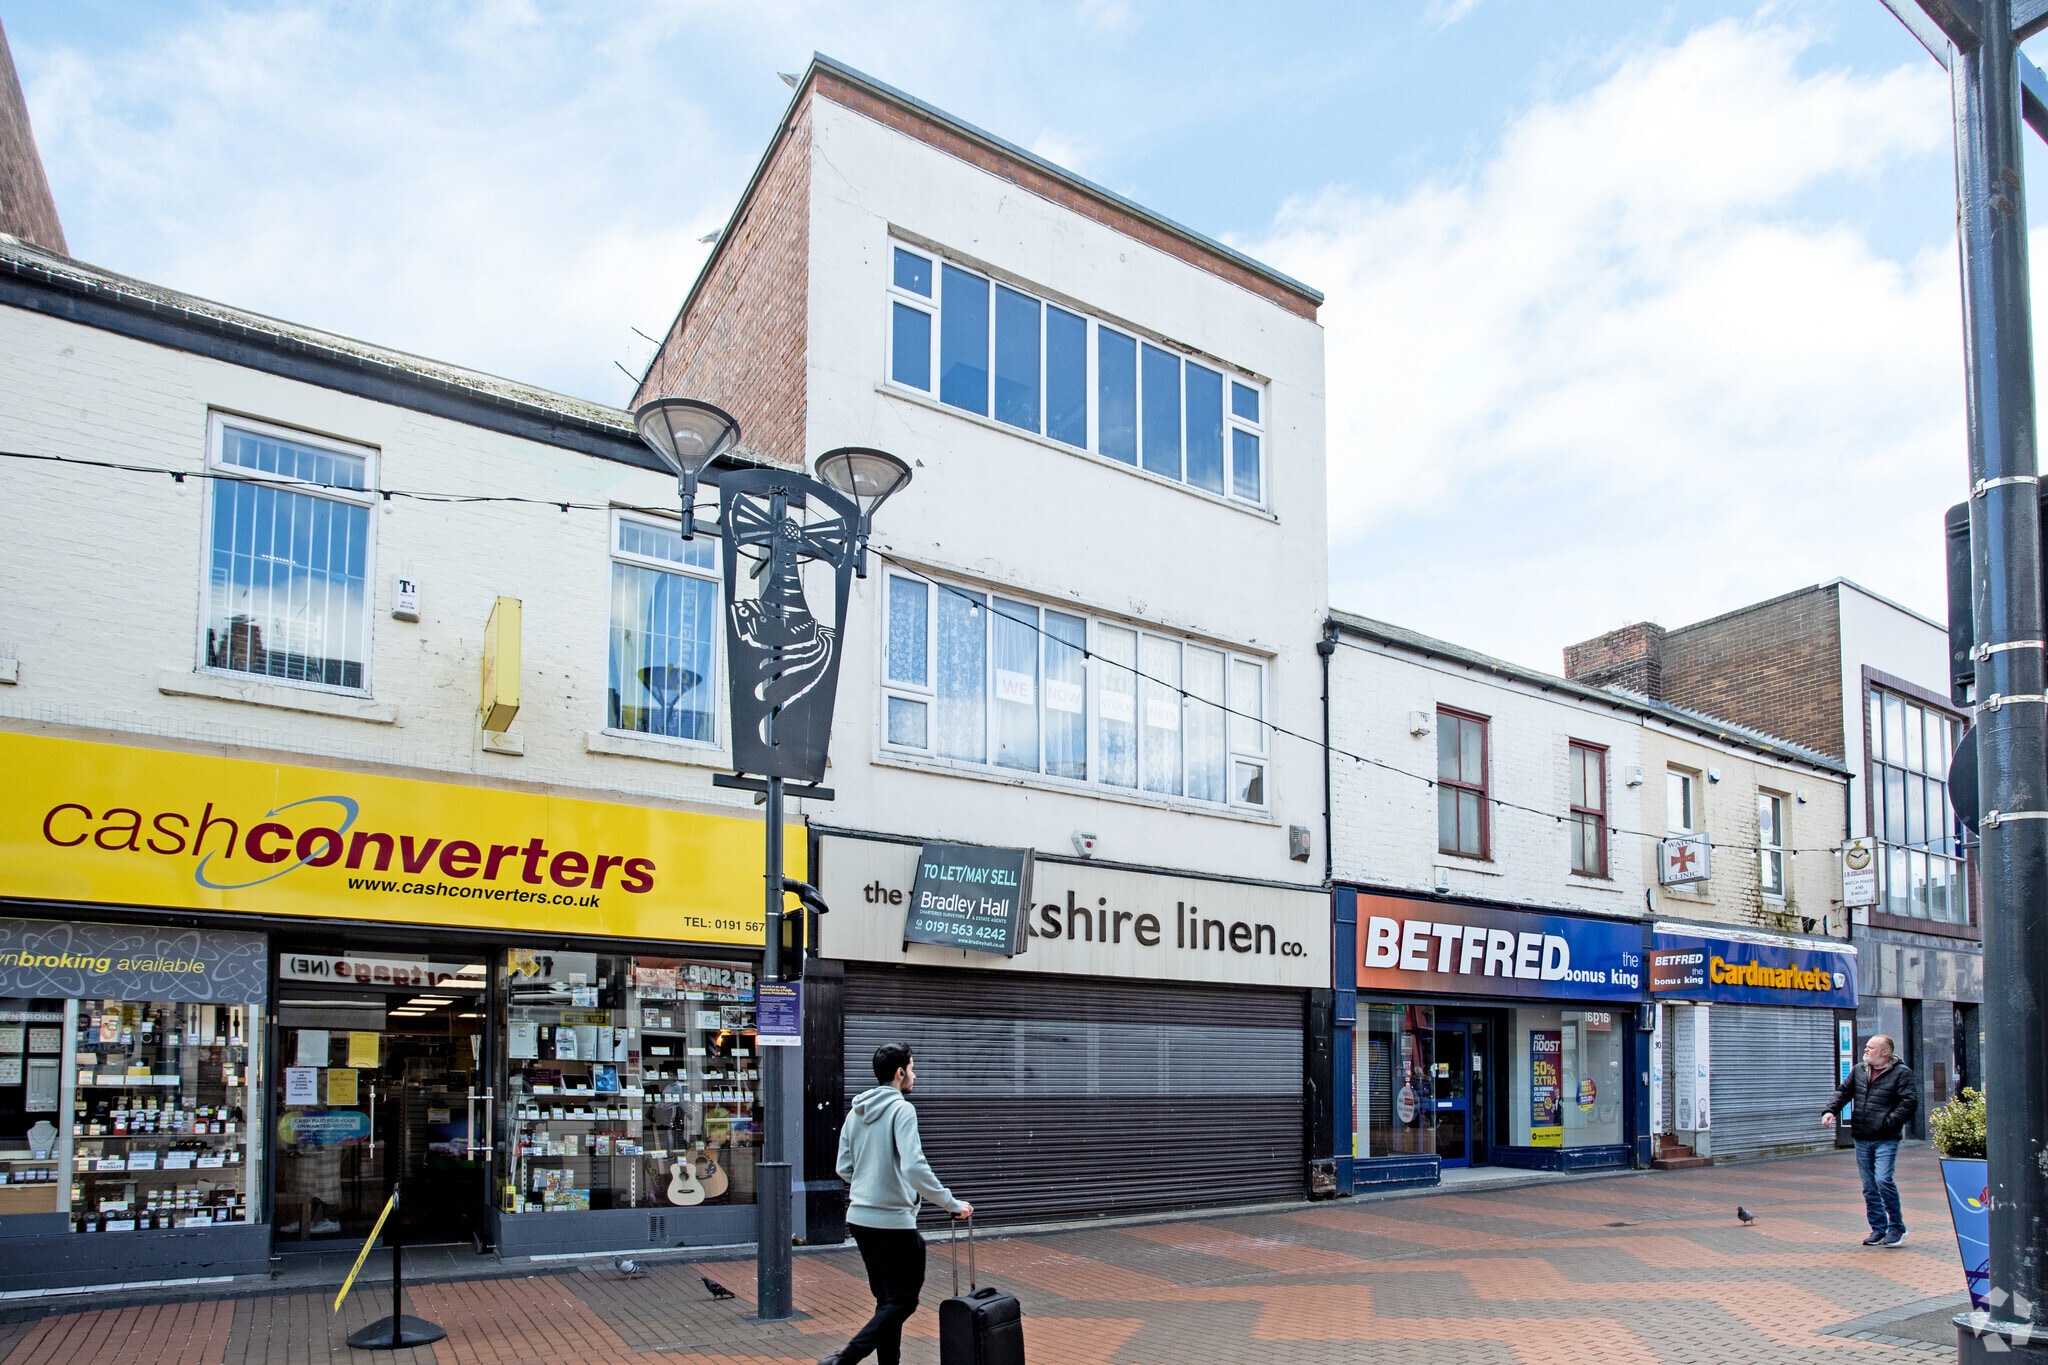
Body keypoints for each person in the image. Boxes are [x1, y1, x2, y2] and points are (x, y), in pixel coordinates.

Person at [821, 1042, 971, 1365]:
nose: (914, 1076)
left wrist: (870, 1183)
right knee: (903, 1302)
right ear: (900, 1073)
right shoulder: (902, 1109)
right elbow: (914, 1167)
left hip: (859, 1220)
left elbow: (843, 1167)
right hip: (893, 1223)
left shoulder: (856, 1112)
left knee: (886, 1300)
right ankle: (843, 1360)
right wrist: (951, 1203)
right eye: (912, 1069)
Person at [1823, 1033, 1920, 1248]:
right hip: (1862, 1137)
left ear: (1885, 1052)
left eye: (1871, 1047)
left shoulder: (1902, 1074)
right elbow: (1843, 1092)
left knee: (1883, 1180)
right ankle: (1878, 1229)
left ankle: (1896, 1228)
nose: (1866, 1050)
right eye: (1866, 1047)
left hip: (1886, 1138)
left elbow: (1909, 1102)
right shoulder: (1859, 1070)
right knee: (1869, 1186)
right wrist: (1830, 1111)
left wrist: (1888, 1122)